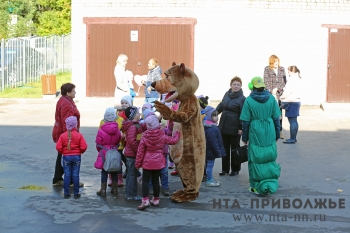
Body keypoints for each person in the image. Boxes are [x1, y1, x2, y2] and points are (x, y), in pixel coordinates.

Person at [240, 77, 281, 195]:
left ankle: (256, 186)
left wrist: (245, 138)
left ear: (252, 87)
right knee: (269, 157)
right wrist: (277, 134)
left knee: (256, 159)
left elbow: (246, 122)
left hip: (255, 130)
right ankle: (270, 181)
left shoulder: (249, 100)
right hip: (269, 129)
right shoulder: (272, 99)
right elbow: (276, 119)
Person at [135, 114, 180, 210]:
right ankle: (156, 199)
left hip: (147, 162)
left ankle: (145, 200)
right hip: (159, 161)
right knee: (156, 181)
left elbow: (140, 151)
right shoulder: (161, 135)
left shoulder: (145, 136)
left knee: (146, 181)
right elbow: (173, 141)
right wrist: (177, 135)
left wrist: (138, 164)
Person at [52, 83, 84, 187]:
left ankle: (57, 179)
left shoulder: (65, 101)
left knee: (62, 155)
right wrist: (70, 138)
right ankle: (70, 181)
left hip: (62, 133)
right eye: (73, 91)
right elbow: (67, 122)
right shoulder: (66, 104)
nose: (75, 93)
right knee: (69, 156)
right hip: (66, 134)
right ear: (68, 93)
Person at [216, 76, 246, 176]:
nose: (236, 86)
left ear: (241, 86)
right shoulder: (227, 94)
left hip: (235, 126)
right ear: (231, 85)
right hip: (224, 125)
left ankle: (235, 169)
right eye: (234, 84)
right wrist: (214, 113)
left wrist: (241, 128)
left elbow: (243, 114)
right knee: (224, 148)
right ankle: (225, 169)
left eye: (238, 85)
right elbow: (221, 105)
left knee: (234, 149)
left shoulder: (242, 98)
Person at [56, 116, 87, 199]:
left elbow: (58, 147)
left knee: (67, 175)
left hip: (66, 157)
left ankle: (66, 193)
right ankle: (76, 193)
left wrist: (63, 152)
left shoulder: (63, 136)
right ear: (75, 125)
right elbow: (84, 146)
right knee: (75, 175)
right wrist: (80, 152)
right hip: (77, 157)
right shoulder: (79, 135)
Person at [96, 108, 122, 197]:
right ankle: (115, 189)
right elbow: (119, 140)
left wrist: (100, 151)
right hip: (114, 150)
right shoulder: (117, 129)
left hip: (104, 151)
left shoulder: (101, 130)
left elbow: (98, 143)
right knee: (114, 170)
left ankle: (103, 189)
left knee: (104, 171)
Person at [122, 106, 143, 201]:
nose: (140, 114)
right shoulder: (133, 127)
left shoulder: (135, 126)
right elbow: (132, 141)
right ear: (133, 116)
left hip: (132, 154)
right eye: (138, 113)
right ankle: (130, 194)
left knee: (133, 174)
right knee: (132, 175)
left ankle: (131, 193)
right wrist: (138, 151)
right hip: (132, 155)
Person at [263, 54, 286, 139]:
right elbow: (265, 81)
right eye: (275, 61)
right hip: (270, 94)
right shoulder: (267, 69)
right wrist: (271, 90)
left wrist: (278, 89)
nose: (277, 63)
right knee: (269, 113)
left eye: (277, 61)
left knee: (279, 113)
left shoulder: (281, 69)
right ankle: (270, 130)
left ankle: (279, 131)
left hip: (279, 94)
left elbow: (284, 81)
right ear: (272, 61)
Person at [203, 106, 226, 187]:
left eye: (217, 115)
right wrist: (218, 152)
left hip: (210, 150)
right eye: (214, 115)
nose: (217, 117)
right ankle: (209, 180)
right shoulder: (211, 129)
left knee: (209, 164)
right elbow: (213, 143)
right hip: (211, 151)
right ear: (209, 116)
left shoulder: (212, 126)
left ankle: (210, 178)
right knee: (210, 165)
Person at [280, 65, 302, 144]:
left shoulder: (292, 80)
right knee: (294, 120)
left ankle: (292, 138)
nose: (288, 73)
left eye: (289, 71)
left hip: (291, 101)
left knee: (292, 121)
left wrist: (281, 97)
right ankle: (294, 137)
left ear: (292, 71)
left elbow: (287, 92)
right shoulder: (298, 78)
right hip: (297, 101)